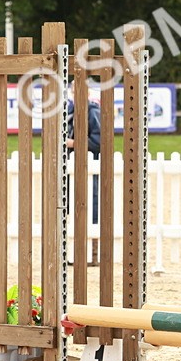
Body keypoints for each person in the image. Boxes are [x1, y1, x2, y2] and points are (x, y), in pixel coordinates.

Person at [65, 99, 102, 265]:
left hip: (89, 165)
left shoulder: (92, 111)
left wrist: (72, 143)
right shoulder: (71, 110)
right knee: (70, 207)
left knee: (90, 206)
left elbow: (98, 143)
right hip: (72, 165)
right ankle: (73, 252)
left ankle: (93, 253)